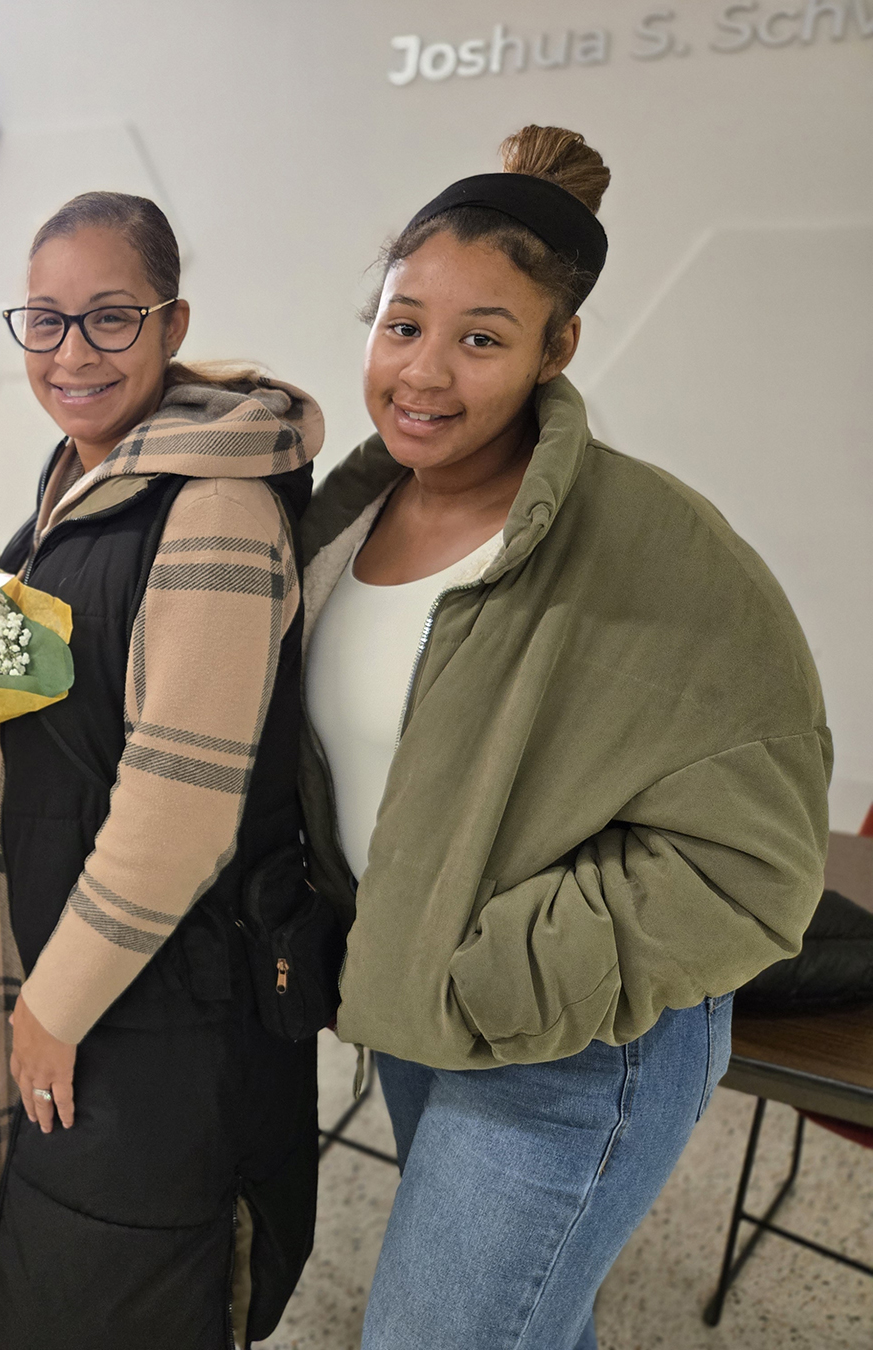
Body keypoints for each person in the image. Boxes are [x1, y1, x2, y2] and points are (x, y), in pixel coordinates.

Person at [298, 126, 831, 1350]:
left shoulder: (656, 547)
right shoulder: (341, 522)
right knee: (530, 1322)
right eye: (402, 324)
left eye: (481, 337)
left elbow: (754, 866)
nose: (425, 373)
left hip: (583, 1043)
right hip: (421, 1010)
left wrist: (502, 965)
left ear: (558, 348)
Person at [0, 191, 323, 1350]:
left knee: (131, 1292)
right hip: (92, 974)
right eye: (45, 321)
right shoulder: (82, 481)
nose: (72, 352)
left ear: (171, 322)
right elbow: (54, 685)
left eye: (110, 319)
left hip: (162, 1003)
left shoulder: (213, 507)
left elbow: (178, 808)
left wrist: (52, 1007)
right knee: (62, 1282)